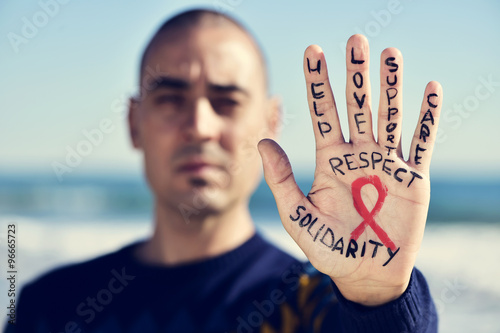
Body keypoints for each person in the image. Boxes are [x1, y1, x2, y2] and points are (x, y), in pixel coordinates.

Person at [6, 8, 442, 333]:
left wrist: (376, 297)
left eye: (227, 101)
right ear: (133, 123)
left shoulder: (316, 305)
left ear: (270, 121)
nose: (199, 126)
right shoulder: (52, 305)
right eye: (170, 98)